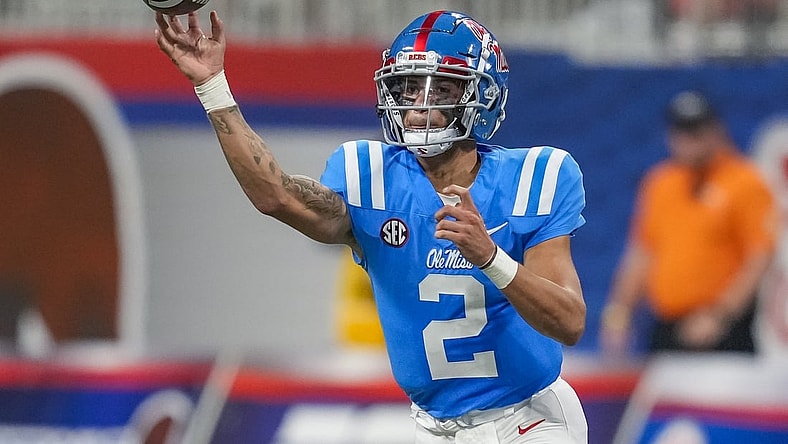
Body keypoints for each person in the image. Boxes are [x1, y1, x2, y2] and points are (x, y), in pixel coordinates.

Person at [155, 9, 588, 443]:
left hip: (529, 420)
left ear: (482, 96)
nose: (420, 105)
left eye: (441, 88)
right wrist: (212, 86)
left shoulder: (538, 177)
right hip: (434, 428)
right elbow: (277, 195)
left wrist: (491, 258)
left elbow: (569, 322)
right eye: (410, 87)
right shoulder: (370, 176)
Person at [601, 90, 778, 356]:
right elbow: (642, 253)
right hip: (666, 326)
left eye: (697, 131)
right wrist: (619, 313)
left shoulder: (744, 182)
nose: (689, 141)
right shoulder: (661, 183)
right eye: (681, 131)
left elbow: (759, 257)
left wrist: (720, 315)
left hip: (722, 329)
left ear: (716, 130)